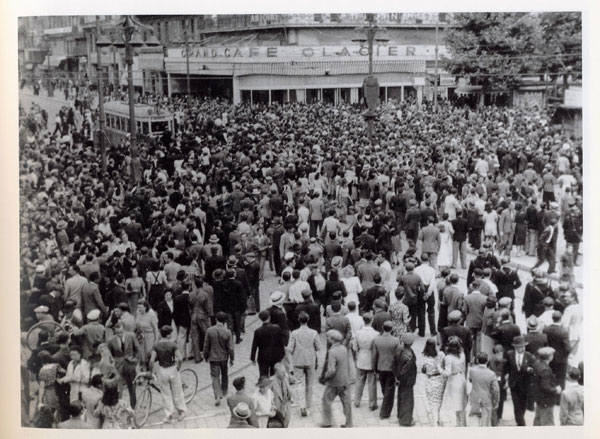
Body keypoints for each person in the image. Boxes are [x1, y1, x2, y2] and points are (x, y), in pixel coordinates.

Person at [149, 325, 186, 423]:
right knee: (177, 391)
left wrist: (150, 372)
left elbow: (152, 361)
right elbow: (180, 358)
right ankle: (181, 411)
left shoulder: (156, 345)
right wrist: (178, 367)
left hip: (162, 370)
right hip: (172, 369)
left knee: (165, 393)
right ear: (169, 335)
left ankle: (169, 415)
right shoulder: (173, 344)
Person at [287, 311, 321, 416]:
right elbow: (319, 347)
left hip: (298, 360)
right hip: (310, 360)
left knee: (299, 384)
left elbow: (290, 349)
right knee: (310, 384)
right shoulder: (314, 332)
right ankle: (309, 406)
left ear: (298, 320)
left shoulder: (294, 333)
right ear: (308, 320)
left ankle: (301, 406)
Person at [320, 329, 353, 428]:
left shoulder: (332, 352)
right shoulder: (343, 348)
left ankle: (327, 422)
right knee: (347, 403)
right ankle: (349, 423)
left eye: (328, 337)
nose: (327, 339)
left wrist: (325, 377)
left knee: (326, 400)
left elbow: (331, 370)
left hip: (334, 383)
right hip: (345, 381)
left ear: (332, 339)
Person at [106, 322, 141, 408]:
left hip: (130, 364)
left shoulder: (131, 336)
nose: (119, 334)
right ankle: (118, 406)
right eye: (117, 333)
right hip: (118, 366)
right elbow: (110, 355)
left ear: (124, 330)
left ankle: (133, 406)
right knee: (118, 387)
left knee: (132, 386)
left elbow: (138, 349)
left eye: (121, 332)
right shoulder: (111, 340)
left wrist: (136, 360)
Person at [204, 312, 235, 406]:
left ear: (216, 319)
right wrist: (232, 359)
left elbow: (206, 346)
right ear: (224, 321)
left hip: (213, 358)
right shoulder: (228, 332)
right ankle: (224, 392)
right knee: (224, 374)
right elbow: (231, 348)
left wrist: (205, 356)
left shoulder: (209, 330)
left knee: (215, 377)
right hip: (224, 358)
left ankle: (217, 395)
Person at [372, 320, 400, 419]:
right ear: (392, 329)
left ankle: (386, 402)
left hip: (380, 367)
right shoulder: (396, 340)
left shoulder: (377, 340)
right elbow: (397, 356)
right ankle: (385, 411)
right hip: (391, 368)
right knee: (390, 389)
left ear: (383, 328)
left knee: (384, 388)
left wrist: (374, 368)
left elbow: (374, 355)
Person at [351, 313, 378, 411]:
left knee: (359, 381)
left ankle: (357, 401)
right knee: (372, 383)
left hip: (361, 358)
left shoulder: (358, 333)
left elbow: (354, 347)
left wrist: (358, 353)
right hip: (371, 360)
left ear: (363, 320)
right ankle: (372, 403)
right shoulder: (376, 334)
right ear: (372, 321)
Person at [392, 333, 417, 426]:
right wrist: (400, 377)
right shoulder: (409, 355)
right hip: (407, 380)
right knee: (407, 400)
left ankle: (400, 415)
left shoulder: (399, 349)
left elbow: (394, 363)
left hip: (400, 379)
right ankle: (406, 420)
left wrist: (396, 376)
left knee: (401, 397)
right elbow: (405, 370)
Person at [532, 347, 562, 426]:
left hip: (539, 398)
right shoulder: (545, 369)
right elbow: (546, 386)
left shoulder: (538, 364)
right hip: (546, 400)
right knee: (548, 422)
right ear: (550, 357)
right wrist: (556, 390)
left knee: (538, 420)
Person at [441, 336, 468, 427]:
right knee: (461, 402)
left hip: (453, 380)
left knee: (456, 403)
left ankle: (458, 423)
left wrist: (440, 369)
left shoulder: (448, 357)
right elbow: (464, 367)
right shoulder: (462, 354)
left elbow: (447, 373)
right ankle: (462, 423)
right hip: (461, 377)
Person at [468, 352, 500, 426]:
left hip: (474, 398)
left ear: (478, 360)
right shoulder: (491, 374)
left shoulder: (472, 370)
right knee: (485, 420)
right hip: (486, 399)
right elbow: (496, 390)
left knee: (474, 418)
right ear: (487, 360)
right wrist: (496, 400)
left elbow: (470, 380)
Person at [251, 310, 286, 377]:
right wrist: (282, 354)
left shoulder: (258, 331)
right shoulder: (277, 328)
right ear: (269, 317)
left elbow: (254, 346)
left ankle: (264, 387)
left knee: (263, 375)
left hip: (263, 356)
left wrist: (253, 358)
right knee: (274, 375)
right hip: (275, 355)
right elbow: (280, 342)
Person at [421, 338, 446, 426]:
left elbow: (423, 370)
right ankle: (437, 417)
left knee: (432, 402)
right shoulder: (441, 354)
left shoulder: (424, 356)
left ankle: (435, 420)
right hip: (440, 380)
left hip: (430, 380)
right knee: (439, 400)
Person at [542, 311, 570, 389]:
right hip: (561, 360)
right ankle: (560, 398)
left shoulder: (546, 329)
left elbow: (544, 343)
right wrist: (564, 356)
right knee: (561, 379)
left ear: (552, 318)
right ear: (561, 319)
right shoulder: (564, 331)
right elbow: (567, 348)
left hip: (549, 357)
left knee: (549, 377)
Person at [270, 363, 292, 428]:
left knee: (286, 425)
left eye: (284, 371)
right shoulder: (271, 381)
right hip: (277, 410)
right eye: (282, 372)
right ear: (276, 373)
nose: (284, 373)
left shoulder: (286, 376)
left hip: (286, 407)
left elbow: (289, 389)